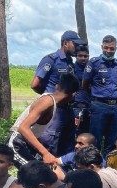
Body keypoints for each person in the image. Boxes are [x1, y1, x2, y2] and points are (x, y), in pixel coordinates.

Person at [31, 30, 85, 158]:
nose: (77, 47)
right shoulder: (51, 60)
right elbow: (35, 84)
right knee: (50, 144)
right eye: (75, 44)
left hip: (68, 110)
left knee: (67, 145)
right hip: (54, 111)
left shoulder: (70, 62)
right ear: (65, 43)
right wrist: (49, 98)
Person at [8, 73, 80, 168]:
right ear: (73, 94)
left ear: (57, 86)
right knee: (34, 174)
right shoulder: (47, 101)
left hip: (26, 144)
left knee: (45, 172)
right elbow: (23, 127)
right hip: (16, 142)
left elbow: (34, 131)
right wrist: (45, 153)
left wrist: (44, 150)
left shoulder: (52, 102)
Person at [83, 35, 117, 156]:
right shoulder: (94, 63)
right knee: (95, 139)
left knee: (112, 141)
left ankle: (108, 167)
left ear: (116, 48)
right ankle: (93, 167)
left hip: (115, 107)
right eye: (106, 48)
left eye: (111, 48)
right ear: (102, 47)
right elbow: (85, 84)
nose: (108, 51)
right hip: (99, 106)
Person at [72, 45, 91, 135]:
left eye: (85, 56)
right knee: (76, 133)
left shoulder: (92, 69)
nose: (83, 58)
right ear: (76, 56)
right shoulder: (71, 69)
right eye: (80, 56)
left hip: (91, 105)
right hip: (77, 106)